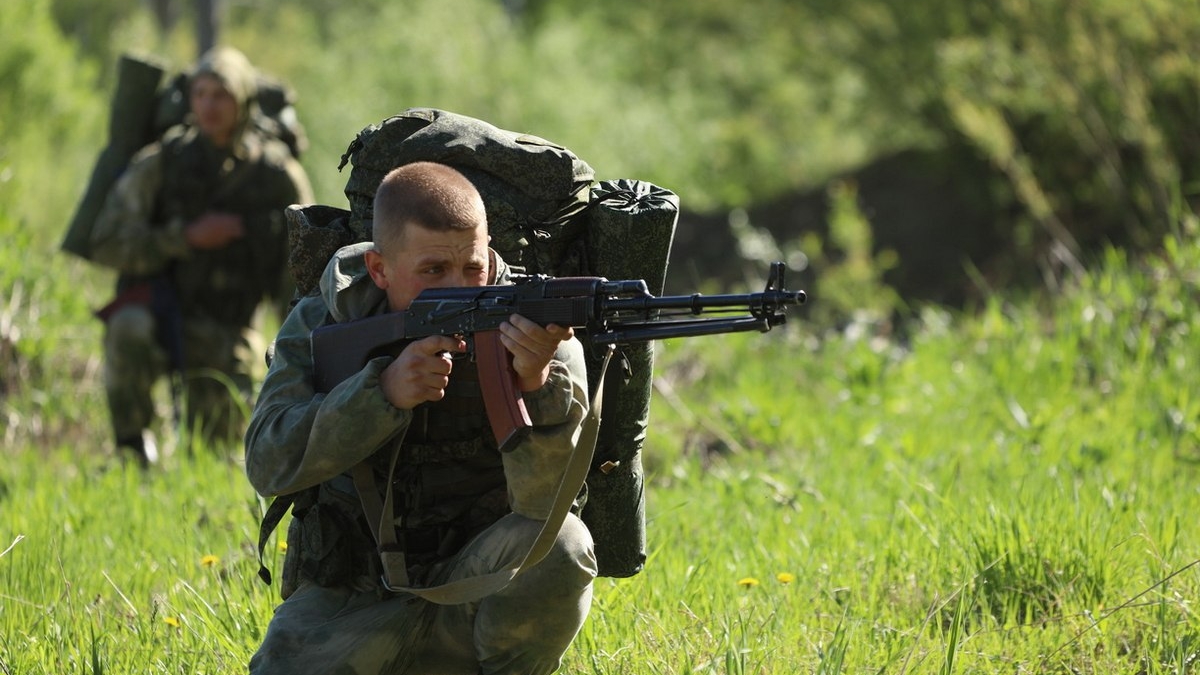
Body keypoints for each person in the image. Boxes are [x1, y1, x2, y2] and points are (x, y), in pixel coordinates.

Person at [244, 161, 597, 674]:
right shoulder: (327, 320)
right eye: (433, 271)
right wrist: (378, 395)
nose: (461, 288)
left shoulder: (536, 327)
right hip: (355, 599)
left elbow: (544, 508)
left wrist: (535, 386)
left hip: (478, 588)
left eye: (473, 268)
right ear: (379, 269)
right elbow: (267, 462)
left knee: (565, 545)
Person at [88, 45, 313, 465]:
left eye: (222, 95)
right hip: (164, 314)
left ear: (243, 100)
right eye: (201, 93)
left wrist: (294, 353)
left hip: (231, 331)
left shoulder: (278, 176)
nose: (209, 106)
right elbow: (107, 241)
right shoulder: (161, 163)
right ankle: (132, 453)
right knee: (127, 326)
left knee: (216, 456)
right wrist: (184, 237)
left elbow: (304, 274)